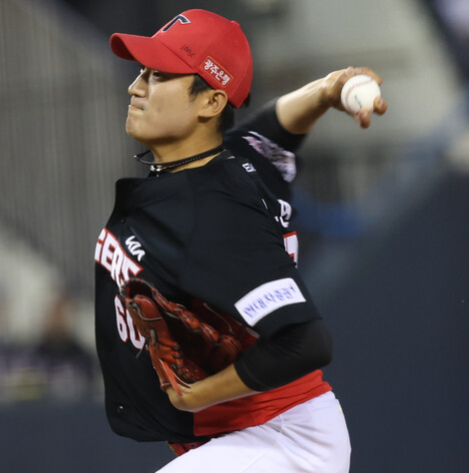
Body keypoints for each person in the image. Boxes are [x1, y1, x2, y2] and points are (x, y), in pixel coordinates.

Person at [93, 9, 387, 473]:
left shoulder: (213, 213)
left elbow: (305, 342)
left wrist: (197, 395)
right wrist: (328, 90)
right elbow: (278, 125)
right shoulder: (240, 156)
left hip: (280, 437)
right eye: (142, 72)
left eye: (159, 75)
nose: (136, 87)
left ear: (211, 102)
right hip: (255, 436)